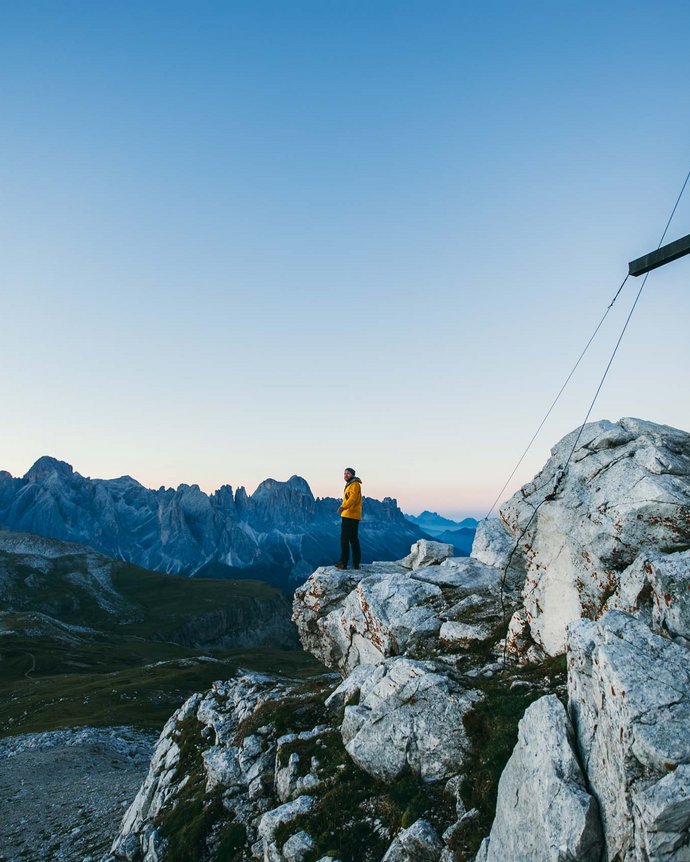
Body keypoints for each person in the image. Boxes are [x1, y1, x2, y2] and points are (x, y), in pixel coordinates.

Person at [334, 467, 362, 569]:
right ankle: (356, 563)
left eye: (348, 473)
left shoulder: (354, 484)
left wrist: (343, 507)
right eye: (344, 473)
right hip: (353, 515)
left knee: (344, 539)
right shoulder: (352, 484)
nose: (346, 475)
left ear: (352, 475)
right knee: (353, 539)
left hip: (349, 515)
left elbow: (352, 498)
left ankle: (343, 562)